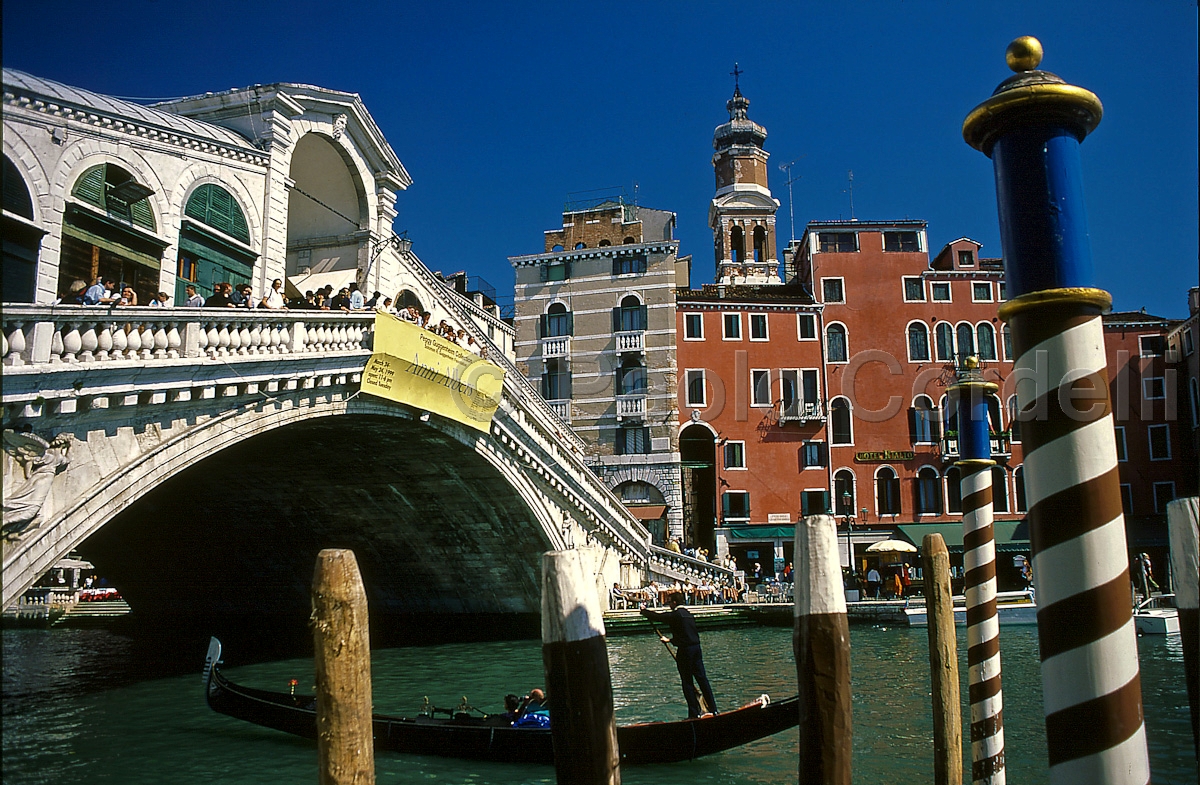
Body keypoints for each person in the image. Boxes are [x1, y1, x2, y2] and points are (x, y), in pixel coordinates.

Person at [640, 595, 717, 718]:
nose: (669, 605)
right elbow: (686, 632)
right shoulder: (688, 614)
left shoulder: (676, 615)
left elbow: (658, 617)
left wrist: (644, 611)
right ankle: (714, 709)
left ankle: (694, 713)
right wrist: (671, 640)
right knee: (702, 679)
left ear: (675, 603)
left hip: (686, 651)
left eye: (670, 602)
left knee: (687, 682)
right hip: (697, 648)